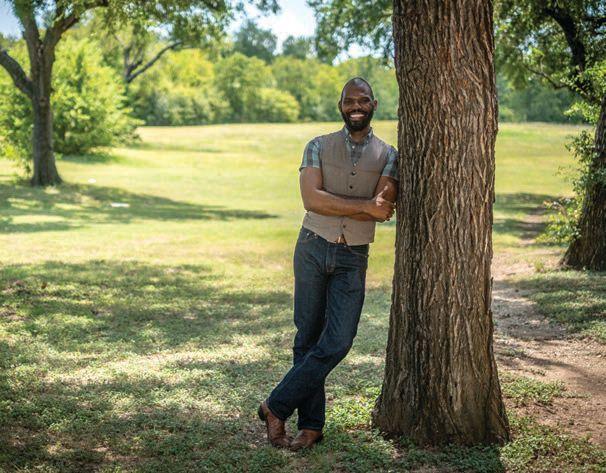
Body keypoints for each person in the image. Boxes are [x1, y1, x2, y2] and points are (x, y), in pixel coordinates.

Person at [258, 77, 398, 451]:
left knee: (337, 340)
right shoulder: (317, 145)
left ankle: (275, 406)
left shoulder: (389, 154)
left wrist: (344, 203)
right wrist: (363, 206)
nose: (356, 106)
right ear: (341, 106)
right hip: (311, 247)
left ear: (374, 104)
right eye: (349, 101)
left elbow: (383, 208)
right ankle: (311, 426)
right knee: (306, 337)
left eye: (363, 100)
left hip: (353, 256)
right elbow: (311, 199)